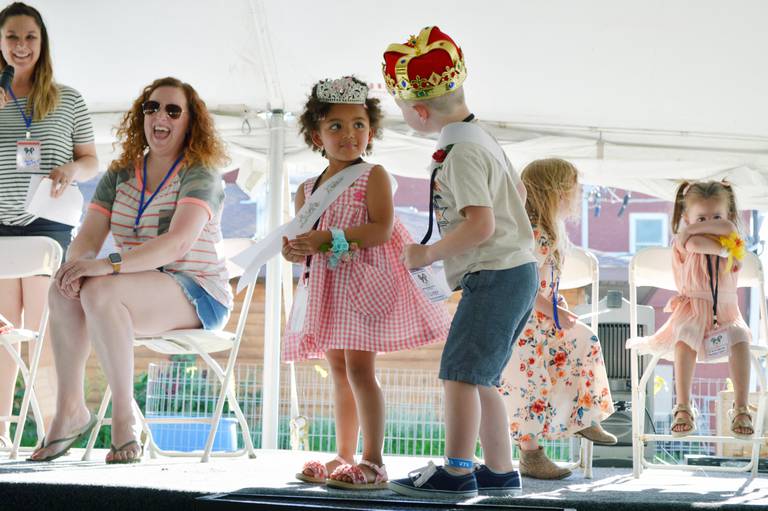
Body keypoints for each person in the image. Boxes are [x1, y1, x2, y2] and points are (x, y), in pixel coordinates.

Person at [27, 77, 232, 463]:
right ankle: (71, 409)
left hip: (199, 292)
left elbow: (177, 243)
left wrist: (105, 266)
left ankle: (124, 420)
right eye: (152, 108)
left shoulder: (200, 172)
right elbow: (87, 238)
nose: (161, 116)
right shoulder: (121, 174)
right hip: (134, 287)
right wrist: (75, 266)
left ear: (190, 122)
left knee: (101, 289)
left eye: (174, 110)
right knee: (63, 288)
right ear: (142, 116)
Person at [383, 27, 538, 498]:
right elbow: (519, 197)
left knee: (458, 373)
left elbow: (481, 225)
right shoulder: (482, 139)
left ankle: (455, 471)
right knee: (481, 376)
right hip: (515, 271)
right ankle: (499, 468)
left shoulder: (462, 152)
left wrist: (426, 254)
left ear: (421, 111)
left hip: (495, 273)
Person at [285, 76, 450, 490]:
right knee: (336, 367)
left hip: (364, 283)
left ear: (371, 131)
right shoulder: (307, 189)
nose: (349, 135)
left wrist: (330, 239)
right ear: (315, 135)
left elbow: (381, 230)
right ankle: (343, 455)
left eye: (358, 124)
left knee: (360, 368)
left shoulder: (373, 174)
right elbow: (304, 240)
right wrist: (296, 250)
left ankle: (373, 460)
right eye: (336, 126)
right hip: (327, 286)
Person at [0, 2, 98, 448]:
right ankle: (2, 431)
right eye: (12, 38)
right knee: (4, 337)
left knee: (44, 334)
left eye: (29, 37)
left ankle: (51, 429)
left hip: (47, 224)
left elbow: (91, 159)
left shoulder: (68, 98)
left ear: (42, 43)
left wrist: (70, 171)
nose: (21, 47)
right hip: (0, 225)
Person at [497, 158, 616, 480]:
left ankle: (583, 416)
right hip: (523, 320)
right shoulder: (532, 230)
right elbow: (522, 285)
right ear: (556, 192)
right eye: (571, 190)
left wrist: (556, 309)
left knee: (583, 339)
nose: (574, 197)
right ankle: (531, 454)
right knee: (529, 380)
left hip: (542, 316)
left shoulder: (548, 228)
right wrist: (554, 311)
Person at [627, 180, 753, 439]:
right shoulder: (683, 242)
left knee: (741, 338)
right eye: (700, 218)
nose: (709, 222)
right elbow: (695, 245)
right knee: (684, 339)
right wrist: (720, 248)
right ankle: (683, 406)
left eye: (716, 216)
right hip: (693, 311)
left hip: (726, 314)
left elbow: (728, 228)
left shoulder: (734, 238)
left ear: (728, 215)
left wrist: (702, 231)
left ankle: (740, 407)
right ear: (686, 218)